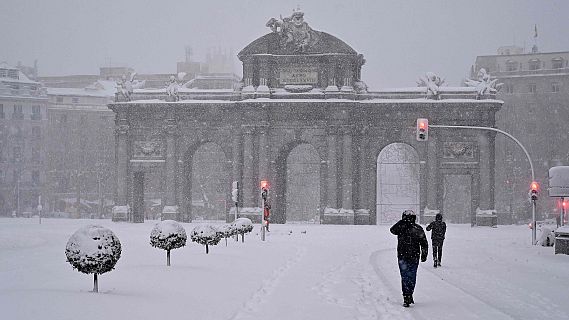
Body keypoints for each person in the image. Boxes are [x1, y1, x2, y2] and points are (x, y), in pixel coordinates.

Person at [390, 210, 428, 307]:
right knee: (411, 276)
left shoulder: (402, 227)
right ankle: (409, 294)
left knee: (405, 276)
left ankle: (407, 295)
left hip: (403, 256)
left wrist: (402, 221)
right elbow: (424, 243)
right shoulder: (417, 228)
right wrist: (424, 254)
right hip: (413, 256)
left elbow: (393, 230)